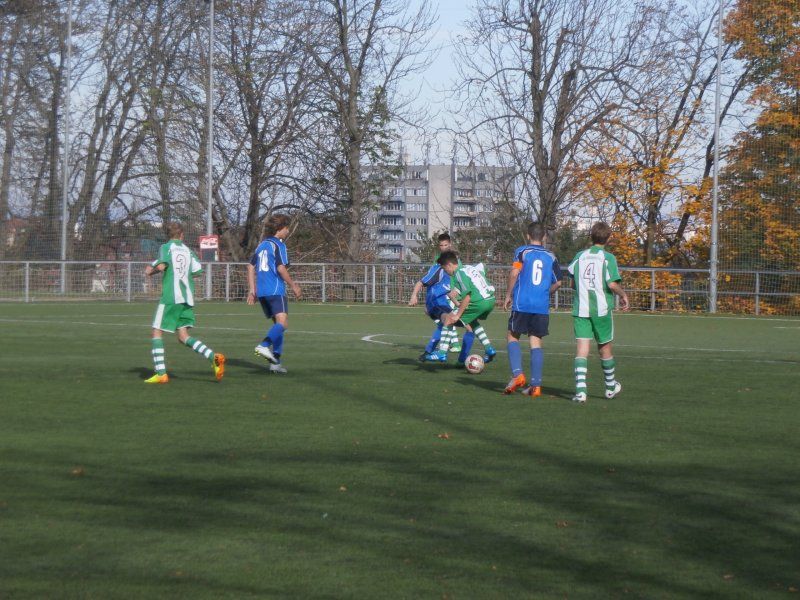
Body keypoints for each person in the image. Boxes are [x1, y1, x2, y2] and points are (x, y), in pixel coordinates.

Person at [144, 222, 225, 384]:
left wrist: (150, 271)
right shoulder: (188, 250)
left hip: (171, 297)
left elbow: (161, 266)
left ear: (168, 235)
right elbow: (197, 271)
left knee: (156, 332)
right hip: (187, 298)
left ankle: (161, 374)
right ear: (182, 235)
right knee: (183, 336)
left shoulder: (166, 247)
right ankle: (214, 357)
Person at [567, 221, 630, 403]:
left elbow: (572, 283)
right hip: (601, 310)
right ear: (608, 239)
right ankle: (610, 387)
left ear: (591, 236)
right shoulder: (608, 258)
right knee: (604, 348)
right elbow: (612, 284)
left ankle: (581, 392)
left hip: (581, 309)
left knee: (582, 349)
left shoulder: (579, 256)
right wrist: (623, 295)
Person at [502, 222, 562, 396]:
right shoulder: (551, 257)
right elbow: (558, 282)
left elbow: (514, 273)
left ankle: (518, 375)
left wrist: (508, 295)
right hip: (541, 306)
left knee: (512, 336)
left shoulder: (522, 251)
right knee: (535, 341)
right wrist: (545, 293)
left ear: (528, 235)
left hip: (522, 303)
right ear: (544, 237)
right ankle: (535, 386)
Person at [247, 213, 302, 374]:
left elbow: (250, 266)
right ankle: (263, 346)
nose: (288, 231)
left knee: (278, 326)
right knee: (283, 324)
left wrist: (252, 290)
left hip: (262, 292)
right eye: (287, 228)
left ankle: (275, 363)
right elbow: (280, 268)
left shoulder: (262, 245)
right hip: (276, 290)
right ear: (280, 228)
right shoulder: (279, 245)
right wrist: (293, 285)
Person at [439, 251, 497, 365]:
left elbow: (467, 296)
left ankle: (441, 353)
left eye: (445, 269)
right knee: (472, 321)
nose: (446, 272)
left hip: (479, 302)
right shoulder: (469, 268)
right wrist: (454, 298)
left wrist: (457, 315)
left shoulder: (459, 273)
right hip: (490, 300)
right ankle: (489, 349)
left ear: (449, 265)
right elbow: (482, 267)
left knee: (449, 319)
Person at [408, 233, 461, 356]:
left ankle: (445, 347)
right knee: (446, 320)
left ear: (450, 245)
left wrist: (457, 295)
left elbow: (457, 277)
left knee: (447, 321)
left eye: (445, 245)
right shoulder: (438, 263)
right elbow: (429, 279)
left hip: (448, 296)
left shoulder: (454, 260)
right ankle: (448, 344)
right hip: (439, 298)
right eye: (441, 245)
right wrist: (415, 296)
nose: (443, 247)